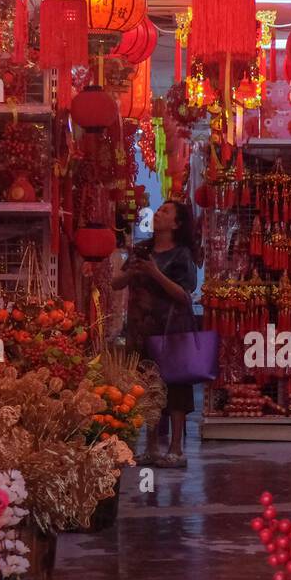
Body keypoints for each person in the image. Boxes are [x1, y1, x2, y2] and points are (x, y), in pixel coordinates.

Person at [113, 200, 199, 468]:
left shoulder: (182, 254)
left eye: (165, 212)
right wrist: (132, 272)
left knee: (175, 389)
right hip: (142, 330)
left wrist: (154, 273)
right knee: (148, 386)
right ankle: (150, 447)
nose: (158, 213)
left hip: (172, 329)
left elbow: (185, 295)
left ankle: (176, 449)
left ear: (176, 224)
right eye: (159, 210)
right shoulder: (142, 250)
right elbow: (116, 283)